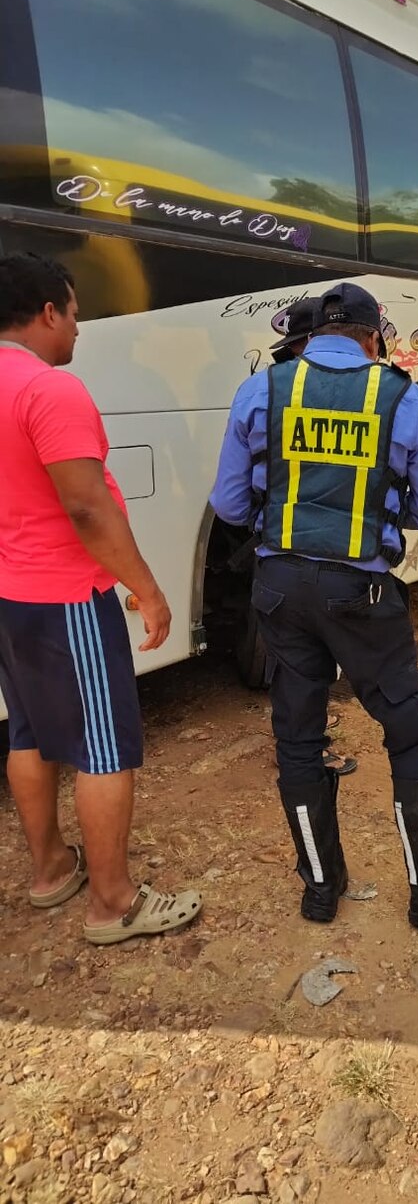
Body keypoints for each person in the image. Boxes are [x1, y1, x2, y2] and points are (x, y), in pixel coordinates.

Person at [210, 282, 418, 930]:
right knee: (407, 732)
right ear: (373, 337)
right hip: (361, 594)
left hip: (278, 587)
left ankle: (319, 886)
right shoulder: (401, 397)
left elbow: (228, 505)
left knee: (298, 736)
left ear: (311, 337)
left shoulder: (262, 390)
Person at [0, 252, 203, 945]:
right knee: (104, 744)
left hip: (10, 595)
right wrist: (148, 590)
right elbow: (86, 509)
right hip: (67, 597)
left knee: (27, 731)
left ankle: (52, 870)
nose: (81, 329)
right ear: (49, 311)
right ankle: (113, 902)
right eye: (77, 313)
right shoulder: (49, 390)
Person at [262, 299, 357, 778]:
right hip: (347, 567)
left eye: (293, 350)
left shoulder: (268, 391)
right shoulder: (376, 395)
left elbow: (234, 498)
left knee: (297, 667)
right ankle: (308, 748)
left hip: (282, 558)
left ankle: (302, 750)